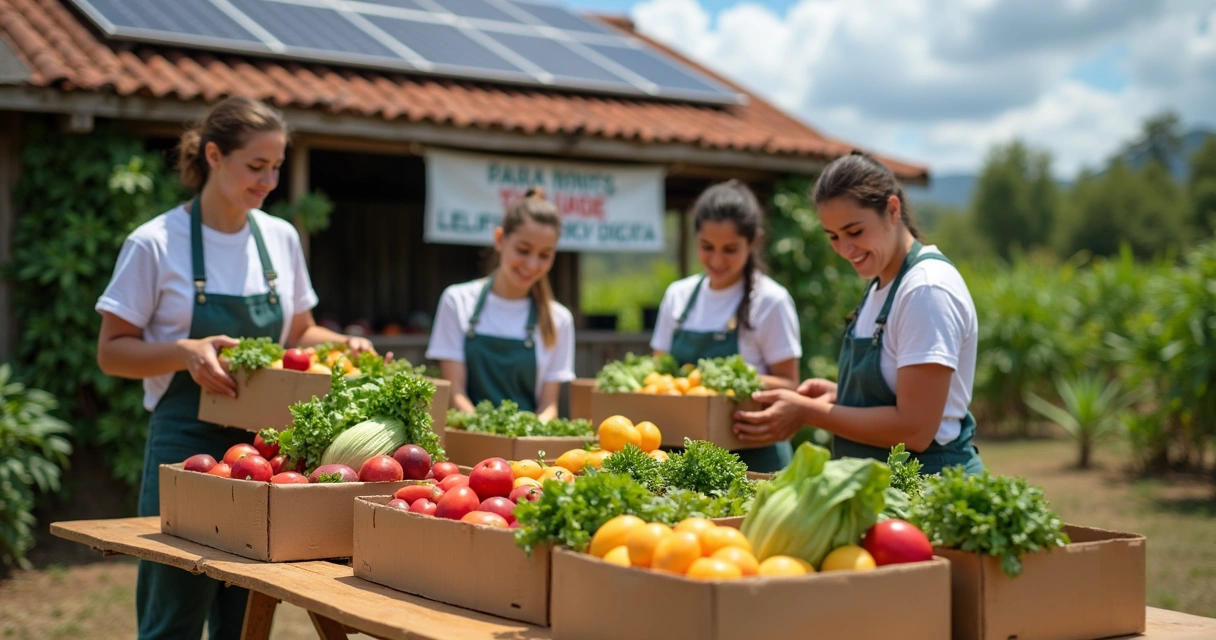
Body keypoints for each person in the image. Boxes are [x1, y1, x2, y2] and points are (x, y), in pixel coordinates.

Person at [95, 97, 377, 639]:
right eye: (256, 166)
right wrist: (182, 350)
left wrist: (343, 342)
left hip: (266, 449)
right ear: (215, 155)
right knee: (172, 607)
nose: (269, 180)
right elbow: (111, 352)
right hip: (184, 444)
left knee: (243, 613)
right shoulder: (155, 242)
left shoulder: (280, 238)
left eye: (276, 166)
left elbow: (299, 333)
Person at [733, 151, 983, 475]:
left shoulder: (925, 290)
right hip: (881, 486)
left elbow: (915, 429)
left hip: (928, 486)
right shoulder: (882, 283)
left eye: (855, 232)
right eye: (834, 237)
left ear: (892, 210)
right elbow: (899, 393)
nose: (845, 250)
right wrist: (840, 396)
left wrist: (809, 413)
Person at [651, 180, 803, 472]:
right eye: (707, 247)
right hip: (684, 456)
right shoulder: (678, 296)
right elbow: (660, 371)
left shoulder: (770, 300)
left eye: (730, 249)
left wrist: (714, 381)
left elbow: (789, 384)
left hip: (753, 456)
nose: (717, 260)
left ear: (753, 242)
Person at [427, 188, 576, 422]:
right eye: (523, 250)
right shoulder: (457, 301)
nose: (532, 264)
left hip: (527, 455)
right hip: (468, 445)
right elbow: (455, 394)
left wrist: (525, 437)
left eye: (545, 255)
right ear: (499, 240)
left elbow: (549, 406)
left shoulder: (560, 319)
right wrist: (490, 434)